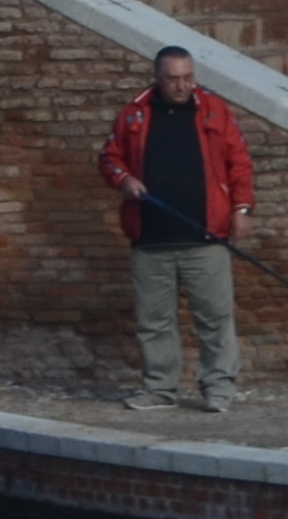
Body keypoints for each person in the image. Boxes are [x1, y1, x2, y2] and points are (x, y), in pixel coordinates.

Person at [98, 45, 255, 413]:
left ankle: (218, 388)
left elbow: (240, 164)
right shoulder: (133, 115)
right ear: (158, 78)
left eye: (187, 78)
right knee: (154, 321)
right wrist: (124, 181)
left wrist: (242, 210)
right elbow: (109, 158)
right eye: (173, 79)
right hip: (151, 237)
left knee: (215, 317)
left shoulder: (216, 112)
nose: (181, 86)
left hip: (206, 236)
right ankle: (159, 388)